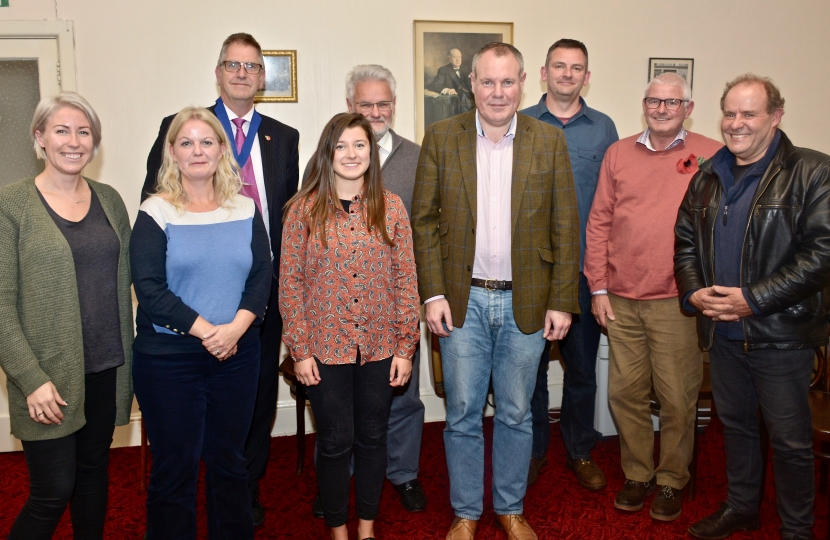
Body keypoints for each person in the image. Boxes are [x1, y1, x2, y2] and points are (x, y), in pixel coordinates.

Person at [412, 42, 579, 540]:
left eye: (508, 82)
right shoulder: (442, 138)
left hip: (526, 300)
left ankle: (509, 508)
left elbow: (565, 226)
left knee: (515, 410)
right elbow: (423, 222)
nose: (498, 92)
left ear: (524, 82)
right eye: (488, 81)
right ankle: (465, 513)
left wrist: (561, 300)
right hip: (461, 302)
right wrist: (432, 293)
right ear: (472, 84)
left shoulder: (547, 141)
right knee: (461, 412)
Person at [142, 32, 299, 527]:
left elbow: (276, 237)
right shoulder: (163, 185)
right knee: (178, 458)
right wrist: (209, 329)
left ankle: (245, 495)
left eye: (251, 66)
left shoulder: (281, 140)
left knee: (243, 428)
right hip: (179, 337)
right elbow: (148, 274)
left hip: (251, 314)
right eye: (232, 64)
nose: (241, 73)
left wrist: (241, 322)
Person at [676, 74, 830, 540]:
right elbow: (685, 242)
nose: (736, 123)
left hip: (781, 336)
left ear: (775, 117)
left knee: (789, 443)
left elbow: (822, 253)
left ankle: (797, 530)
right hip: (722, 334)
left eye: (749, 113)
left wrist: (753, 300)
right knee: (737, 428)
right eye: (729, 113)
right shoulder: (708, 175)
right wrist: (694, 291)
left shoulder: (812, 171)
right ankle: (742, 508)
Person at [584, 72, 722, 522]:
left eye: (672, 102)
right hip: (621, 297)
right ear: (643, 104)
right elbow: (599, 221)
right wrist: (598, 287)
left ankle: (670, 480)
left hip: (677, 300)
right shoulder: (619, 152)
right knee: (625, 393)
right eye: (654, 101)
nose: (662, 109)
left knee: (678, 397)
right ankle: (638, 473)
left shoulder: (711, 154)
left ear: (688, 107)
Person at [131, 107, 272, 539]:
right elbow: (150, 289)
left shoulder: (245, 208)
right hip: (169, 360)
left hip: (238, 353)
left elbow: (262, 275)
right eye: (186, 142)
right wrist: (210, 332)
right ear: (171, 152)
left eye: (206, 142)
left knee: (230, 462)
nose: (197, 151)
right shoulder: (155, 212)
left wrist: (235, 331)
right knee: (176, 466)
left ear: (221, 150)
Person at [280, 112, 420, 540]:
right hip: (324, 350)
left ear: (371, 152)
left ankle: (366, 528)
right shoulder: (302, 210)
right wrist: (300, 351)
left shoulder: (391, 206)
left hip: (380, 348)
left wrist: (405, 347)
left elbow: (405, 280)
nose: (351, 154)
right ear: (328, 153)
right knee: (337, 442)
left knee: (373, 440)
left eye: (359, 145)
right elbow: (290, 285)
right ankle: (339, 531)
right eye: (341, 145)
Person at [0, 91, 134, 539]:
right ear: (39, 137)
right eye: (61, 130)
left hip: (104, 367)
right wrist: (30, 378)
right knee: (53, 490)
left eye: (84, 132)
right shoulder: (11, 206)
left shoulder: (110, 200)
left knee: (94, 475)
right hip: (46, 379)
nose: (74, 141)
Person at [307, 64, 427, 517]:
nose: (376, 112)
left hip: (390, 311)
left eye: (383, 104)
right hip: (334, 320)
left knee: (403, 399)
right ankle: (337, 483)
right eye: (365, 104)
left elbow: (425, 233)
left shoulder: (418, 157)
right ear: (350, 107)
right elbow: (304, 244)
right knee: (337, 417)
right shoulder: (325, 160)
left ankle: (403, 473)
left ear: (393, 106)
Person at [519, 38, 618, 490]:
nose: (566, 74)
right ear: (543, 73)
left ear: (586, 76)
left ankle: (579, 450)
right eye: (558, 66)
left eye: (576, 68)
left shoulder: (603, 129)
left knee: (581, 370)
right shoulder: (519, 124)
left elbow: (614, 202)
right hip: (530, 275)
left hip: (581, 274)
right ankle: (535, 450)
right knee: (530, 370)